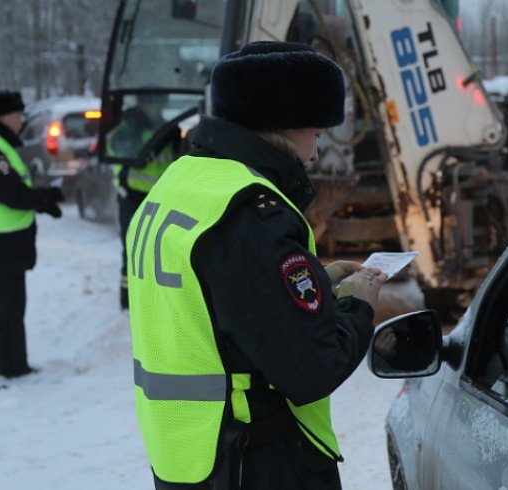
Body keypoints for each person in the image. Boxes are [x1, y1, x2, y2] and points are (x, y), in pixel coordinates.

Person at [127, 41, 388, 490]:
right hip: (255, 458)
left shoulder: (182, 181)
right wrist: (358, 307)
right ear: (284, 128)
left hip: (188, 451)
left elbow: (219, 300)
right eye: (317, 134)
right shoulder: (252, 212)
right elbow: (312, 368)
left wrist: (318, 285)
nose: (316, 153)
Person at [0, 90, 64, 379]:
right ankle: (11, 366)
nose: (21, 119)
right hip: (5, 244)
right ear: (3, 117)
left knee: (12, 306)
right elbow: (12, 194)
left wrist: (45, 204)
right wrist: (47, 196)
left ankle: (13, 363)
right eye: (17, 114)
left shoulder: (6, 145)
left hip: (11, 243)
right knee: (8, 308)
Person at [108, 92, 177, 310]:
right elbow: (122, 149)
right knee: (132, 251)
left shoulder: (168, 128)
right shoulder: (129, 127)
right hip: (132, 196)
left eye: (160, 103)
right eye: (152, 103)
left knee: (158, 254)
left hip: (161, 200)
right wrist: (151, 144)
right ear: (143, 103)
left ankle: (153, 300)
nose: (156, 108)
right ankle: (128, 301)